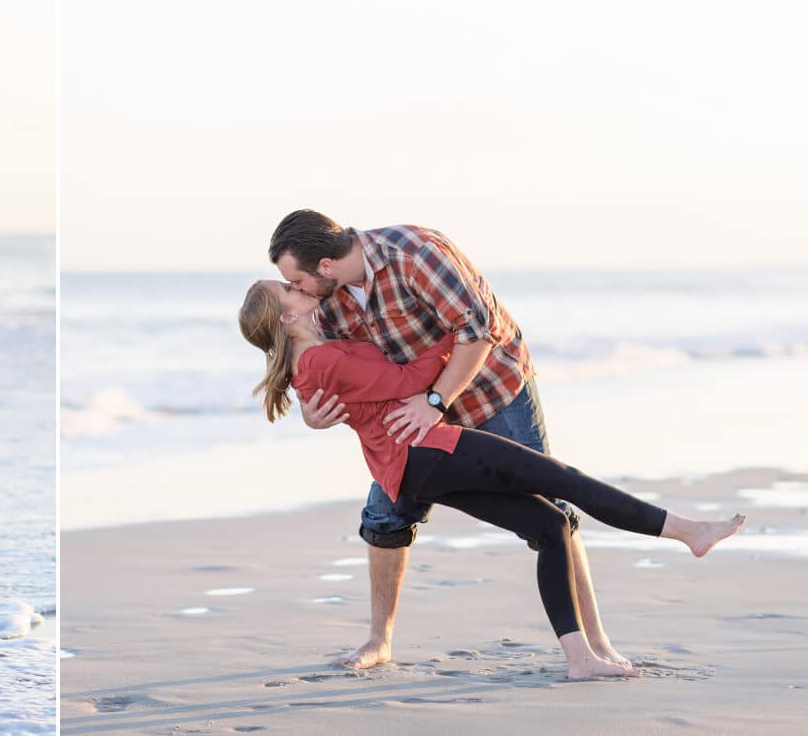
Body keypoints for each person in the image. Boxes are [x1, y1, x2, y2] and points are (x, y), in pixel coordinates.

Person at [239, 280, 744, 678]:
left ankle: (580, 659)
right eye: (287, 289)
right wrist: (465, 335)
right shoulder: (322, 358)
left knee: (549, 527)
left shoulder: (314, 361)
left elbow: (363, 390)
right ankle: (687, 531)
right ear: (287, 316)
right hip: (430, 451)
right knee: (565, 480)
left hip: (414, 470)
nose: (297, 286)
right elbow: (407, 380)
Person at [268, 209, 629, 670]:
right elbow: (317, 364)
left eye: (294, 281)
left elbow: (479, 329)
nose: (295, 291)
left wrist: (436, 400)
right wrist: (312, 414)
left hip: (491, 388)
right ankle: (379, 641)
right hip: (412, 410)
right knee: (384, 517)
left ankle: (597, 644)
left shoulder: (414, 253)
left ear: (324, 266)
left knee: (550, 507)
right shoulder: (327, 299)